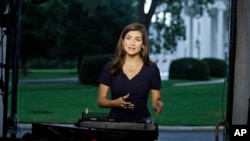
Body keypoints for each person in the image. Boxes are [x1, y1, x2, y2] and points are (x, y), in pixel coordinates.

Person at [97, 23, 163, 123]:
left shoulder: (152, 69)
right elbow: (101, 101)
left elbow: (155, 101)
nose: (132, 43)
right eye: (128, 38)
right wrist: (116, 103)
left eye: (137, 39)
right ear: (123, 41)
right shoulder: (110, 67)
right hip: (114, 124)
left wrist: (158, 104)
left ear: (143, 45)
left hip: (142, 124)